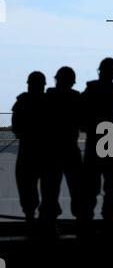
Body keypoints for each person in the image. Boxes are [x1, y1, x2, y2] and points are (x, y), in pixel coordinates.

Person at [80, 58, 113, 221]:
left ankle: (86, 223)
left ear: (100, 71)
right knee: (112, 185)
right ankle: (109, 219)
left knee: (90, 187)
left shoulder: (87, 95)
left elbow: (82, 123)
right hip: (110, 144)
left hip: (93, 144)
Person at [39, 66, 82, 221]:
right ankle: (82, 226)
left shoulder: (46, 99)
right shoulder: (77, 99)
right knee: (78, 191)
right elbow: (84, 124)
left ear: (56, 80)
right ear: (72, 82)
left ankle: (48, 225)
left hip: (51, 152)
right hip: (70, 149)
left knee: (49, 192)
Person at [11, 71, 47, 222]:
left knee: (26, 185)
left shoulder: (22, 103)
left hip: (27, 150)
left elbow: (17, 128)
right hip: (45, 152)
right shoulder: (49, 103)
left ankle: (30, 216)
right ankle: (45, 218)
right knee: (48, 187)